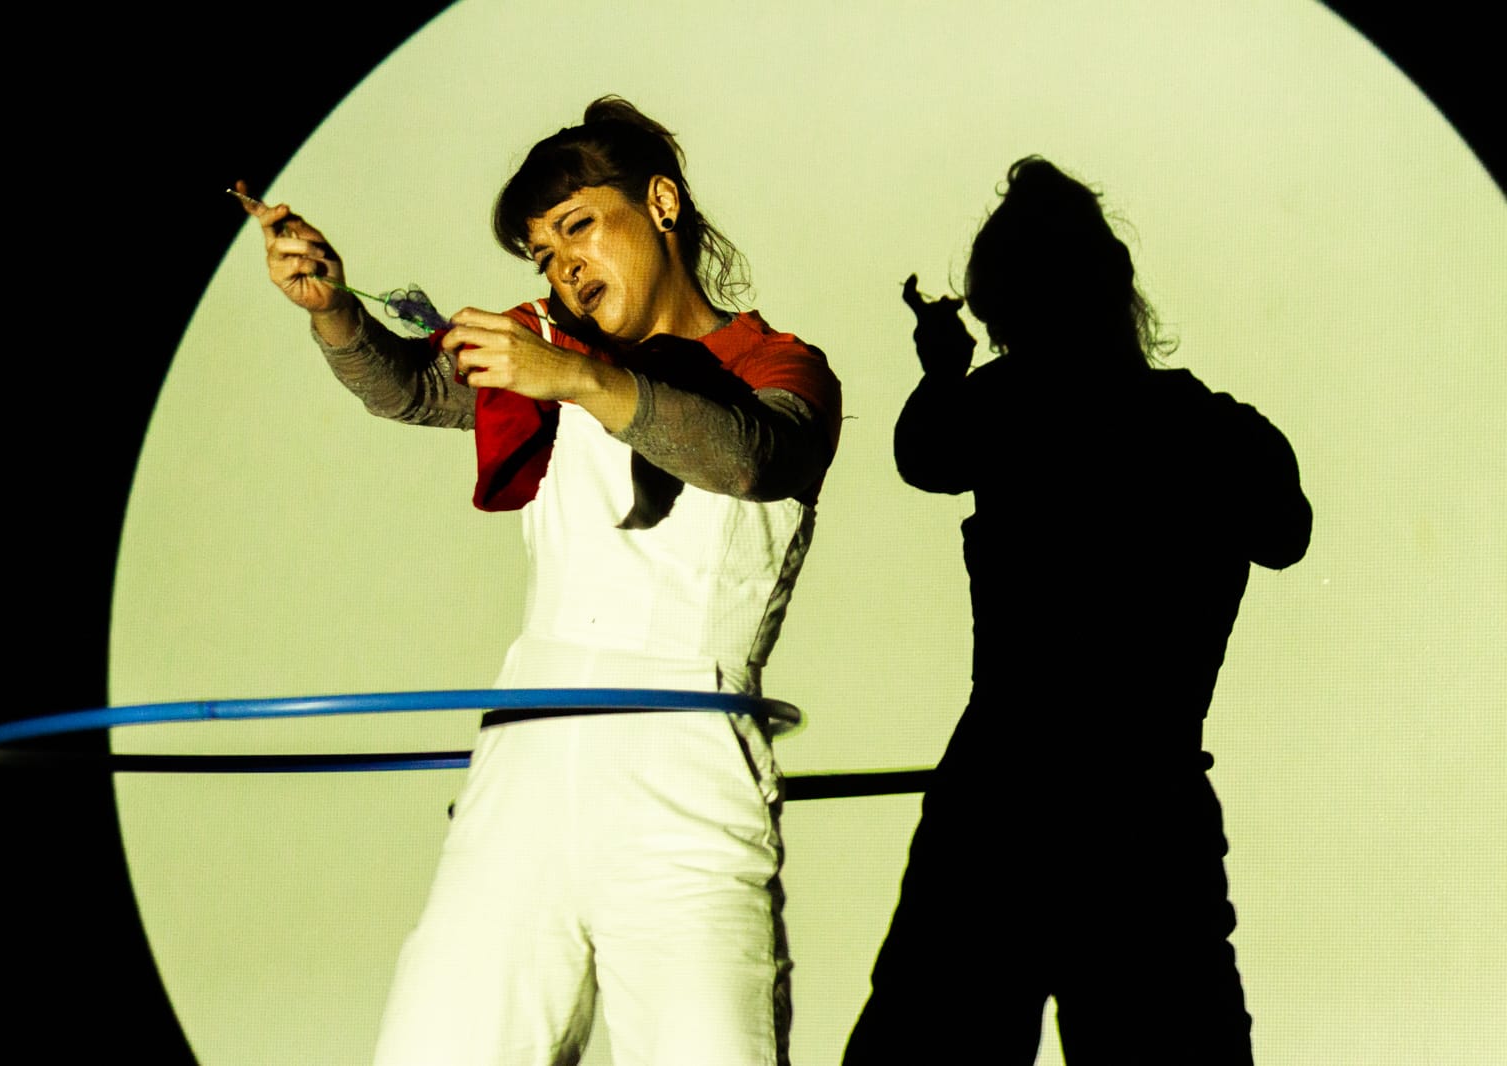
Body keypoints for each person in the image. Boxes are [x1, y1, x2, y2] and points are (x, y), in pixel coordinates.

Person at [237, 96, 841, 1066]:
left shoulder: (776, 365)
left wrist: (571, 378)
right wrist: (335, 310)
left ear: (661, 203)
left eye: (579, 226)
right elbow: (410, 387)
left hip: (684, 781)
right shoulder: (552, 352)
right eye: (542, 254)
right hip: (524, 764)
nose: (564, 267)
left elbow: (749, 460)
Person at [842, 157, 1311, 1064]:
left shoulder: (1001, 408)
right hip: (1147, 810)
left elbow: (923, 453)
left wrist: (944, 370)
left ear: (1002, 311)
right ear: (1116, 285)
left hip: (1000, 807)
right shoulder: (1225, 435)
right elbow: (1286, 533)